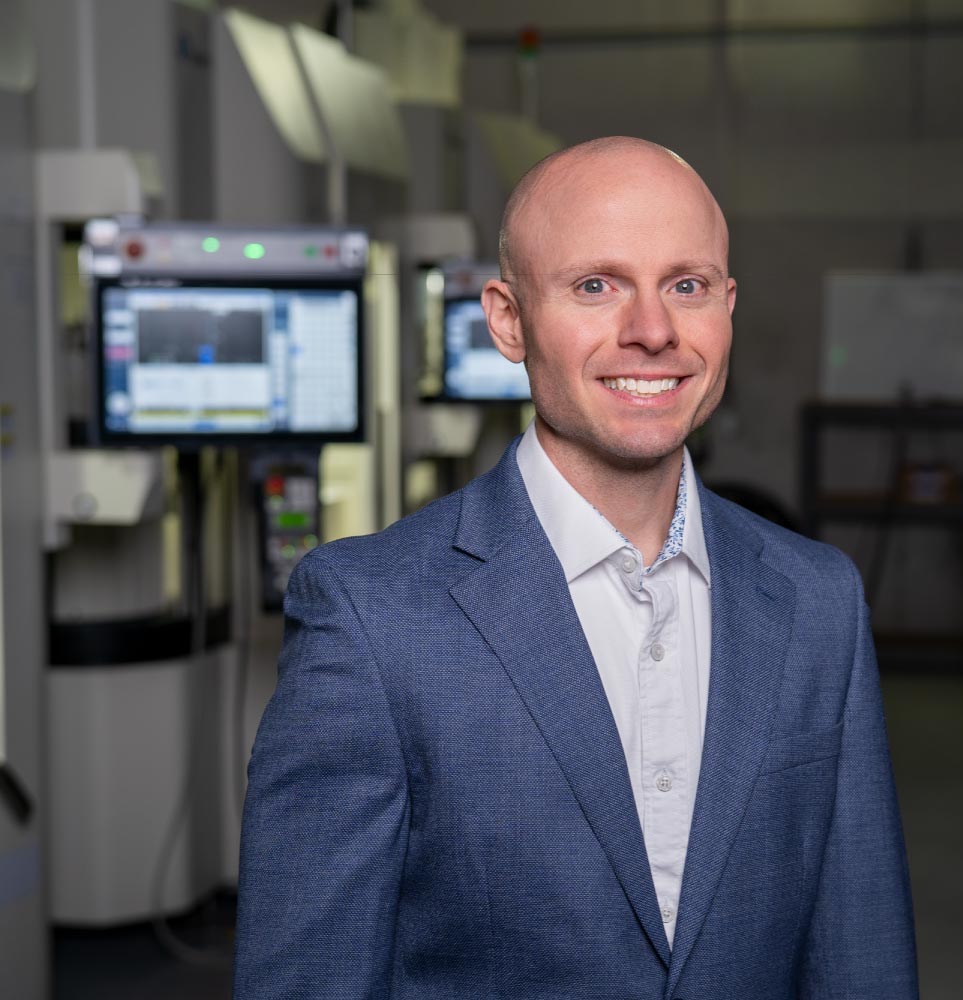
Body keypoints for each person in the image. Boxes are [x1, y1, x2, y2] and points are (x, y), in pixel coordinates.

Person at [234, 136, 918, 999]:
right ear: (508, 319)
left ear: (728, 307)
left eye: (687, 285)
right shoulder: (372, 616)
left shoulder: (818, 600)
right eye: (596, 286)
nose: (652, 331)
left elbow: (862, 958)